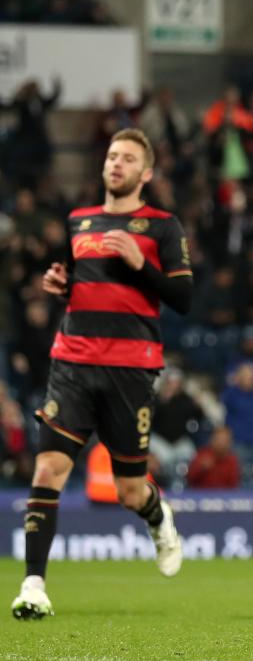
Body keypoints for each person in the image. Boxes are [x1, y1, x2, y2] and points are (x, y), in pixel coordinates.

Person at [11, 128, 193, 620]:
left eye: (128, 158)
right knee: (48, 469)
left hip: (130, 370)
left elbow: (182, 298)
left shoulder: (161, 227)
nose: (116, 164)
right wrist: (62, 283)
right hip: (71, 361)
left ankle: (158, 517)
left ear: (145, 172)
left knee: (129, 491)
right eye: (112, 155)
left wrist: (139, 265)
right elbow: (80, 282)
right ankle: (33, 587)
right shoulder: (79, 220)